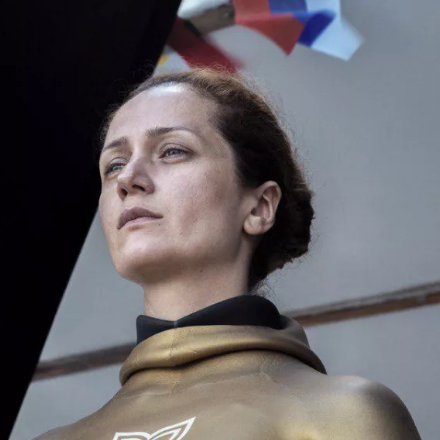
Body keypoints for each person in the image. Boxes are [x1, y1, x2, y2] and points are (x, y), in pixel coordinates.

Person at [33, 67, 421, 439]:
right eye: (114, 165)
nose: (128, 179)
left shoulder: (341, 415)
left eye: (172, 151)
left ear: (259, 207)